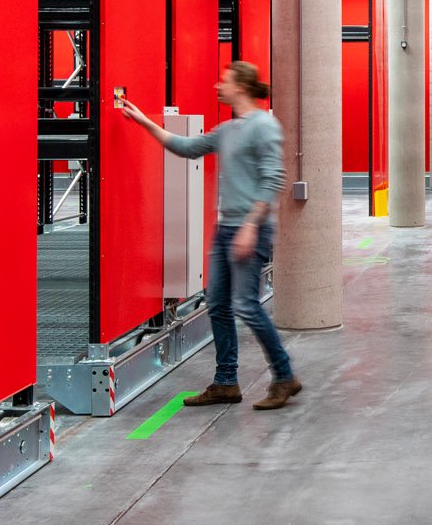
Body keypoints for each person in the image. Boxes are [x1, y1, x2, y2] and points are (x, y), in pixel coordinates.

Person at [113, 63, 301, 410]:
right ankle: (226, 382)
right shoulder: (228, 130)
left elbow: (273, 179)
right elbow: (186, 147)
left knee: (246, 304)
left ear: (240, 87)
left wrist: (250, 226)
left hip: (251, 228)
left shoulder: (264, 126)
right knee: (217, 303)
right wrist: (143, 121)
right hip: (227, 228)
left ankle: (284, 376)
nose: (217, 86)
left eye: (224, 81)